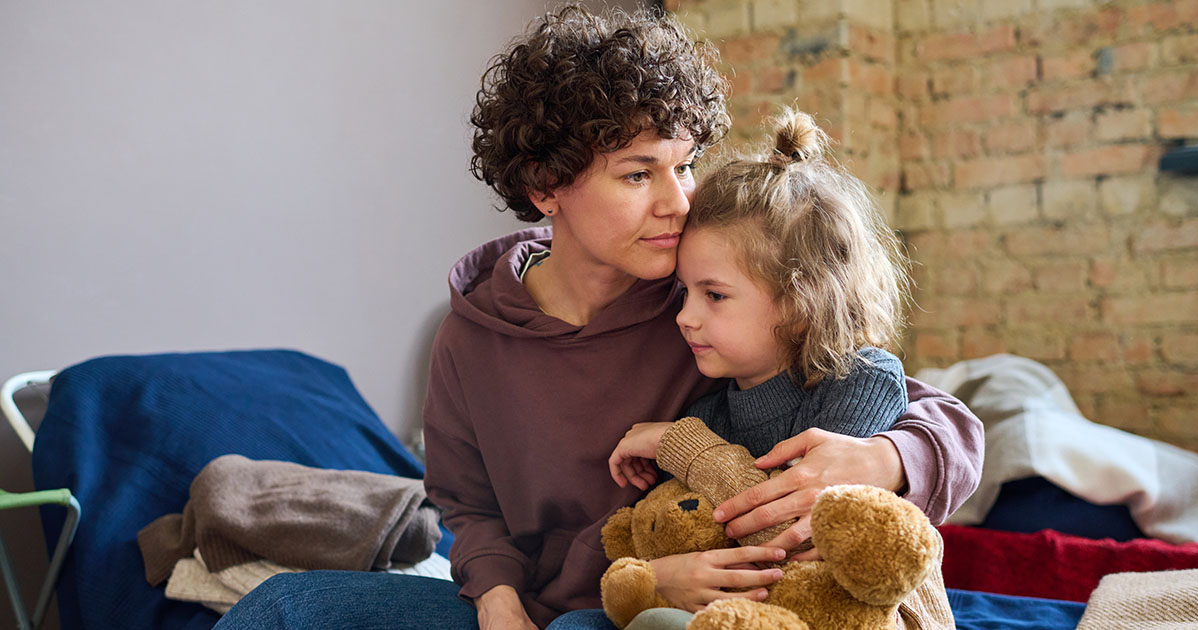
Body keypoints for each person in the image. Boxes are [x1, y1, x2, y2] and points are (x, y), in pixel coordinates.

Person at [213, 6, 983, 630]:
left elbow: (928, 412)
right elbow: (467, 505)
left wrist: (883, 460)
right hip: (553, 602)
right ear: (548, 186)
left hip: (663, 605)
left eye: (683, 166)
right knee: (285, 606)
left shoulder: (707, 305)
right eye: (638, 173)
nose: (678, 201)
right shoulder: (472, 337)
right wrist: (496, 598)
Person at [604, 109, 955, 628]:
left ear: (798, 304)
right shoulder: (710, 410)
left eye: (715, 295)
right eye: (686, 292)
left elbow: (794, 529)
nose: (685, 317)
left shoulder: (862, 380)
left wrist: (683, 446)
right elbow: (707, 536)